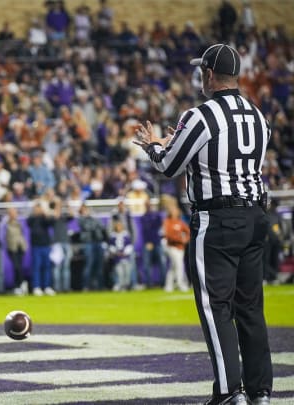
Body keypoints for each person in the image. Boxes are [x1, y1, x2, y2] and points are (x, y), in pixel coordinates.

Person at [134, 44, 271, 405]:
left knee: (216, 307)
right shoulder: (258, 116)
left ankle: (229, 392)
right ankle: (261, 392)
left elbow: (169, 166)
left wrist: (154, 146)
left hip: (219, 218)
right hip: (255, 216)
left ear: (209, 75)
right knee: (251, 308)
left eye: (201, 72)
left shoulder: (200, 116)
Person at [27, 202, 54, 296]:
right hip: (36, 246)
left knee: (47, 266)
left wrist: (45, 213)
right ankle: (37, 287)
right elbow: (28, 223)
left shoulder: (44, 218)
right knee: (37, 267)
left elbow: (51, 222)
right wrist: (34, 213)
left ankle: (47, 287)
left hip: (46, 245)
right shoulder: (32, 218)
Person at [78, 204, 107, 290]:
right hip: (88, 243)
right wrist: (93, 222)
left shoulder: (94, 218)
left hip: (98, 242)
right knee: (89, 265)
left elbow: (102, 226)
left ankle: (100, 286)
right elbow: (87, 227)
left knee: (99, 265)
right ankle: (86, 286)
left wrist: (94, 221)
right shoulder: (81, 219)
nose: (86, 211)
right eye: (84, 210)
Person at [162, 206, 190, 293]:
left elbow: (188, 232)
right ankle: (180, 284)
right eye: (173, 211)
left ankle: (168, 285)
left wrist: (185, 240)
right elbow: (168, 235)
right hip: (172, 247)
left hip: (181, 247)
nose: (175, 212)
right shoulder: (167, 222)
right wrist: (180, 239)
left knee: (174, 266)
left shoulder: (180, 222)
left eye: (176, 211)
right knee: (179, 265)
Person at [140, 200, 166, 287]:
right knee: (147, 264)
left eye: (149, 205)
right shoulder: (143, 217)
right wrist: (148, 242)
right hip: (148, 243)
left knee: (162, 263)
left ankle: (163, 282)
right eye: (146, 205)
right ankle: (149, 284)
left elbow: (159, 228)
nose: (148, 206)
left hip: (157, 242)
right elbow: (145, 231)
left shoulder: (157, 215)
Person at [50, 198, 73, 293]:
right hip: (57, 243)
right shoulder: (52, 215)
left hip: (66, 242)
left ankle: (66, 288)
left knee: (66, 266)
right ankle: (57, 288)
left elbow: (72, 215)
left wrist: (68, 206)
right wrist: (58, 205)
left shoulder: (64, 217)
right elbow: (55, 216)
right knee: (57, 266)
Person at [4, 207, 28, 295]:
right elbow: (3, 236)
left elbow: (21, 235)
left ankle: (21, 285)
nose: (14, 215)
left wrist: (23, 245)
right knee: (16, 267)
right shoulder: (5, 224)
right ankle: (18, 285)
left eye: (15, 213)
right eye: (12, 213)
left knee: (19, 267)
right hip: (12, 248)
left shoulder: (18, 224)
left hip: (20, 248)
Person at [108, 220, 134, 291]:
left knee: (127, 271)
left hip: (126, 257)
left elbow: (129, 245)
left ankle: (126, 285)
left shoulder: (126, 235)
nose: (119, 227)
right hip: (117, 257)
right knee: (119, 272)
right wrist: (116, 252)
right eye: (117, 226)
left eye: (120, 226)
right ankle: (119, 284)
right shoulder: (113, 235)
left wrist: (125, 252)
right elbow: (111, 246)